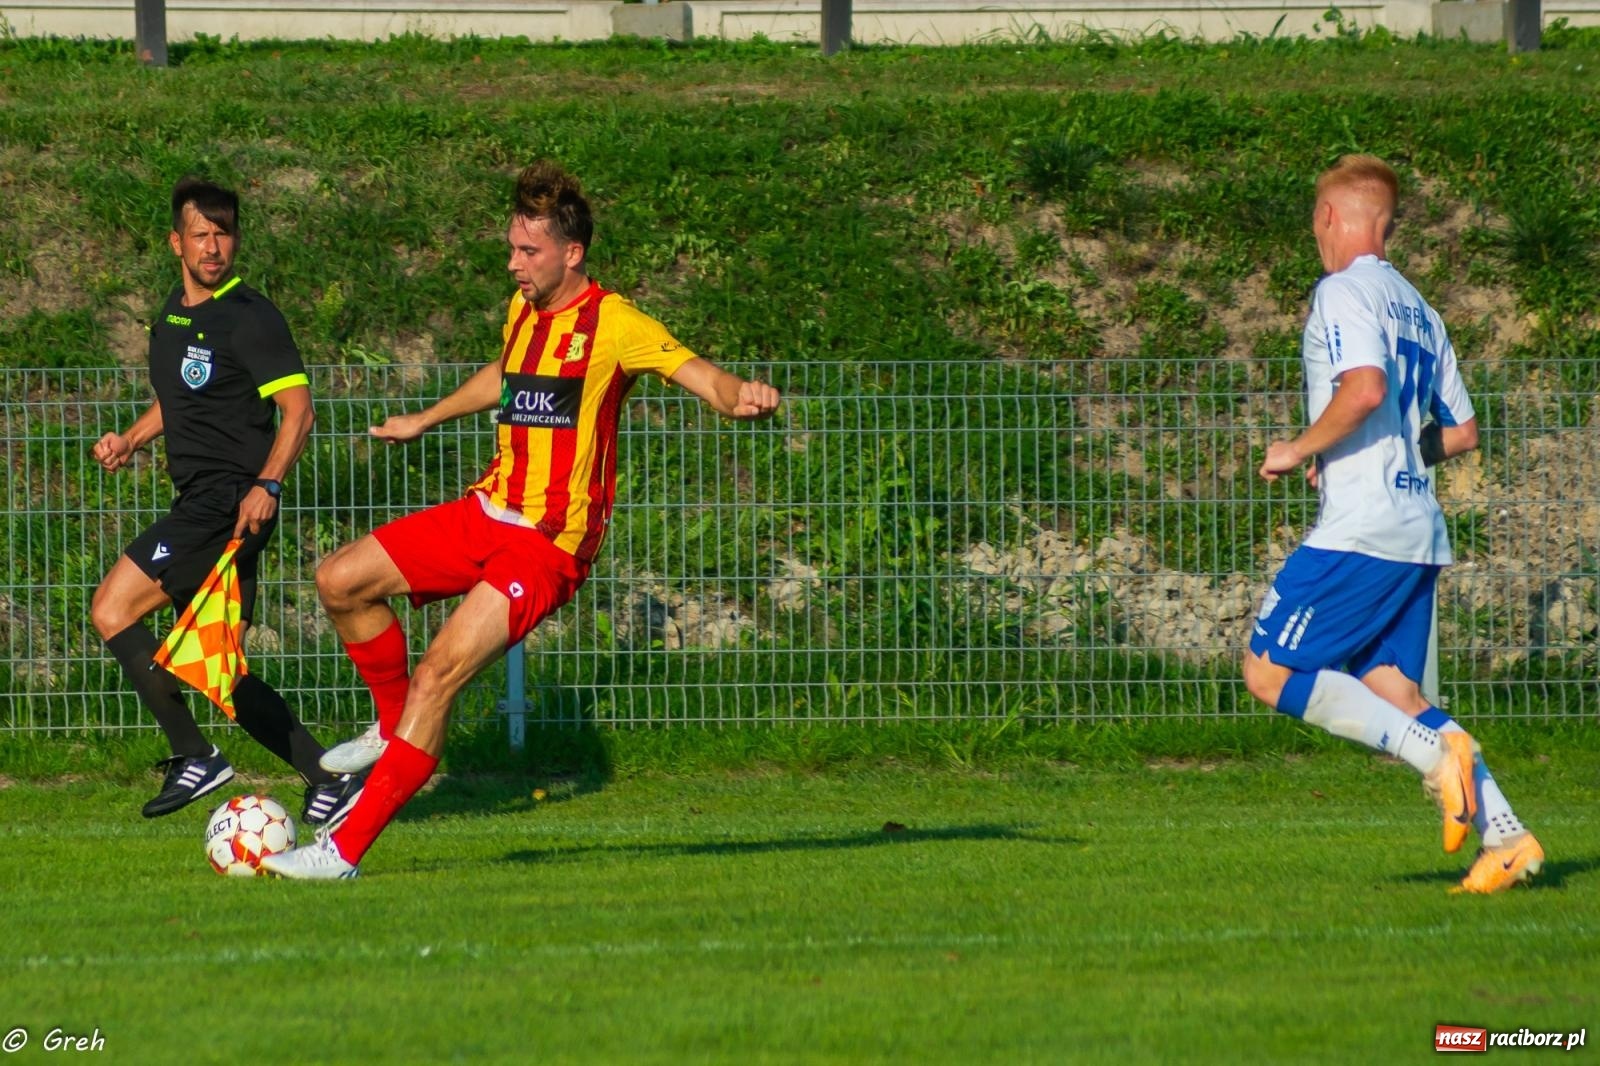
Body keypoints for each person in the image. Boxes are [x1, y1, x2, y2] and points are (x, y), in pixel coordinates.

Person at [262, 161, 781, 879]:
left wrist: (739, 395)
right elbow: (506, 375)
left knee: (439, 675)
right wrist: (425, 418)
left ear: (572, 253)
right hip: (487, 510)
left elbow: (699, 375)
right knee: (340, 579)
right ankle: (389, 723)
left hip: (546, 544)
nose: (514, 263)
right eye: (511, 248)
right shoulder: (523, 309)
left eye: (529, 251)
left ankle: (340, 852)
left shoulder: (615, 324)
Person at [1242, 154, 1541, 895]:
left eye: (1315, 222)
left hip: (1362, 528)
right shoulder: (1420, 307)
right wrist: (1358, 448)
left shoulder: (1342, 290)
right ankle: (1508, 839)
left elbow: (1365, 389)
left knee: (1268, 671)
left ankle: (1434, 759)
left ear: (1328, 217)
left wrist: (1299, 447)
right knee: (1397, 694)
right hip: (1416, 527)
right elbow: (1461, 433)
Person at [90, 177, 365, 829]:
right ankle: (329, 778)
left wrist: (267, 484)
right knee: (222, 668)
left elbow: (299, 413)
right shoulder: (172, 316)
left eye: (224, 234)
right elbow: (181, 400)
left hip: (228, 503)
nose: (213, 247)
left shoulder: (250, 317)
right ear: (176, 242)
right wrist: (130, 439)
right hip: (204, 499)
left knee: (111, 608)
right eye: (201, 234)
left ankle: (195, 755)